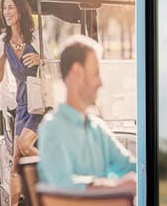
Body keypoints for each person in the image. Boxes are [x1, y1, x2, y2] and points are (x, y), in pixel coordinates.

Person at [36, 36, 136, 191]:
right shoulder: (52, 129)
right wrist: (116, 187)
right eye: (95, 73)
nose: (100, 82)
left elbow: (130, 166)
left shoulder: (98, 128)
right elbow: (63, 186)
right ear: (77, 72)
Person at [0, 0, 45, 206]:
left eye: (11, 7)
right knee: (15, 165)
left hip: (39, 104)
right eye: (4, 8)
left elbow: (51, 64)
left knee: (24, 145)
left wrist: (40, 59)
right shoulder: (2, 41)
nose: (6, 12)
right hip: (22, 106)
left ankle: (52, 177)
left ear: (20, 10)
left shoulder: (35, 36)